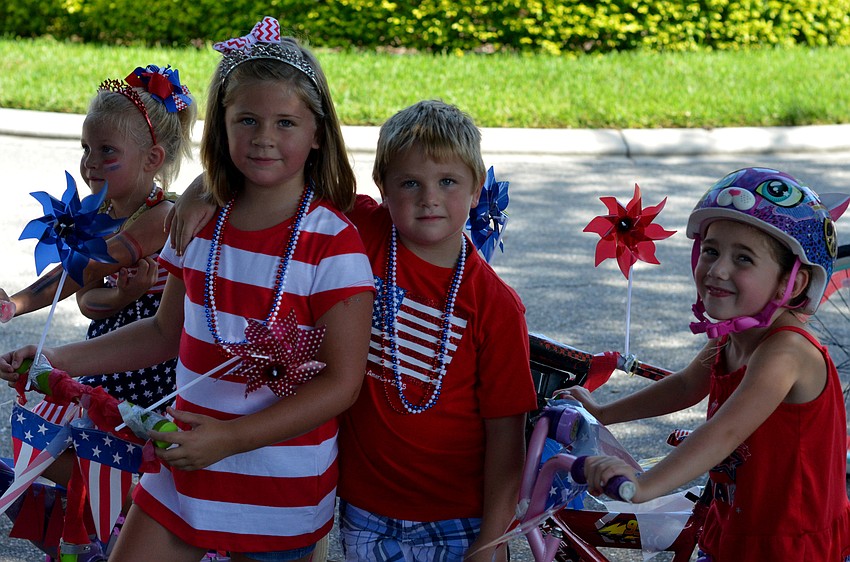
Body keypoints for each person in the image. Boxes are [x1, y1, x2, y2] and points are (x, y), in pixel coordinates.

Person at [1, 16, 375, 562]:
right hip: (179, 477)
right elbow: (162, 333)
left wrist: (226, 441)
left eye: (286, 123)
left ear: (318, 133)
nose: (264, 137)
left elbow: (342, 384)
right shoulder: (196, 224)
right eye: (246, 119)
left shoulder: (333, 244)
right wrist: (53, 358)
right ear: (220, 128)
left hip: (278, 494)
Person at [166, 99, 538, 562]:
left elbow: (507, 437)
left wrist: (492, 543)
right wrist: (201, 188)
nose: (429, 198)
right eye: (409, 183)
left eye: (448, 181)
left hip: (459, 516)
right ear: (381, 186)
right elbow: (276, 167)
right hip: (364, 510)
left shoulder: (497, 306)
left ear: (477, 186)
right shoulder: (360, 228)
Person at [562, 167, 850, 561]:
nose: (717, 270)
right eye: (711, 250)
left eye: (743, 259)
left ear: (794, 283)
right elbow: (685, 386)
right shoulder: (733, 338)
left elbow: (725, 432)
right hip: (734, 525)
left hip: (789, 542)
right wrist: (602, 414)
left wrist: (645, 485)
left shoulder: (785, 353)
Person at [0, 63, 196, 411]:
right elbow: (87, 302)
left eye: (107, 151)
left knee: (80, 437)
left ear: (152, 159)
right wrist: (121, 295)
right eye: (85, 148)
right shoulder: (100, 216)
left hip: (147, 369)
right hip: (105, 350)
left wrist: (15, 304)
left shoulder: (161, 216)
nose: (90, 162)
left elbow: (86, 269)